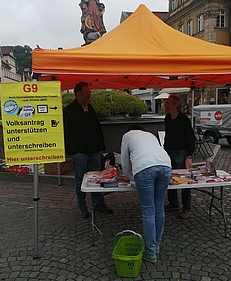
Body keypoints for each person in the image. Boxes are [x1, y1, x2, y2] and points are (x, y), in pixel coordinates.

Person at [121, 124, 172, 263]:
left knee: (148, 211)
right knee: (159, 207)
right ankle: (156, 247)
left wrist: (131, 178)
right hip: (166, 165)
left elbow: (124, 163)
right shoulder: (150, 135)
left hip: (144, 168)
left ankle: (150, 252)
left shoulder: (127, 136)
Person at [63, 81, 112, 218]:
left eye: (89, 93)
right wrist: (73, 151)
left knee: (97, 179)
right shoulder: (69, 111)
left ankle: (98, 203)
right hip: (79, 153)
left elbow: (96, 129)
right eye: (86, 93)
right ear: (78, 94)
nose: (89, 96)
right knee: (80, 180)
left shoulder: (90, 108)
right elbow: (66, 133)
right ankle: (82, 206)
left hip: (93, 151)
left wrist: (100, 147)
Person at [164, 95, 196, 219]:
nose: (166, 105)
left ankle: (186, 207)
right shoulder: (167, 118)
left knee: (183, 180)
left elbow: (190, 137)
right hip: (168, 151)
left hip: (181, 152)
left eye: (168, 103)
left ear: (175, 104)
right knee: (169, 178)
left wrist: (189, 155)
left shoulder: (183, 119)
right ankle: (173, 202)